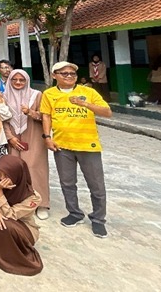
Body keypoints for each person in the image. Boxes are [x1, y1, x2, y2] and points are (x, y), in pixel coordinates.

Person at [41, 61, 112, 238]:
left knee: (96, 185)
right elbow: (46, 116)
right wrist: (47, 137)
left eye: (72, 74)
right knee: (67, 182)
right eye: (64, 73)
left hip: (88, 145)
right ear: (54, 76)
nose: (69, 76)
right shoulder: (49, 94)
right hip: (62, 145)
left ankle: (98, 219)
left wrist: (85, 104)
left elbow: (107, 112)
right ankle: (74, 213)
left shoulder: (88, 92)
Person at [0, 155, 43, 276]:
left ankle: (8, 254)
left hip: (22, 228)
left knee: (5, 223)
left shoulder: (33, 197)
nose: (1, 179)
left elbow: (10, 214)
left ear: (17, 175)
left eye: (6, 176)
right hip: (1, 219)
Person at [3, 69, 50, 220]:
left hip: (34, 135)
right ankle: (19, 202)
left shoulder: (37, 95)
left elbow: (45, 116)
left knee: (35, 168)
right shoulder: (4, 96)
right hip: (13, 138)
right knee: (15, 169)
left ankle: (41, 203)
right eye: (14, 79)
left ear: (27, 81)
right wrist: (10, 137)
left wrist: (30, 112)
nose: (18, 82)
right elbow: (2, 120)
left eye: (21, 80)